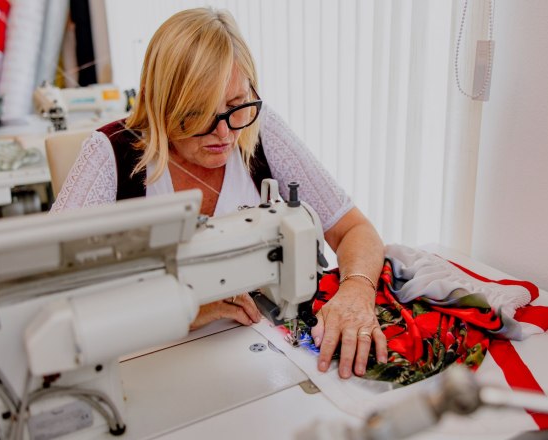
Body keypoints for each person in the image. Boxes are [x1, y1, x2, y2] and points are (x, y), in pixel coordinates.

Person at [51, 7, 386, 379]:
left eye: (235, 106)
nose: (225, 134)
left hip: (247, 362)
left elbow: (353, 229)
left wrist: (357, 290)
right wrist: (178, 310)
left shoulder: (259, 129)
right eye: (198, 115)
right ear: (161, 106)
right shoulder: (109, 155)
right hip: (145, 365)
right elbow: (51, 297)